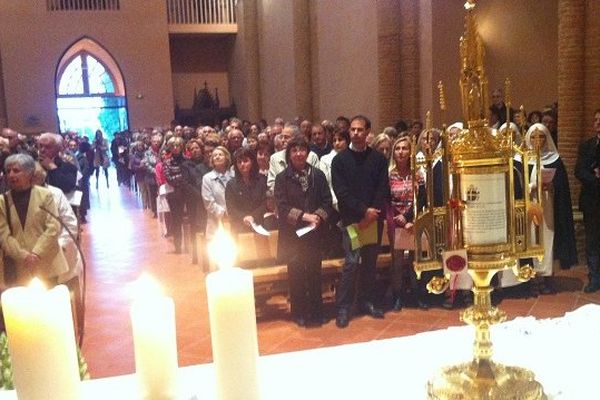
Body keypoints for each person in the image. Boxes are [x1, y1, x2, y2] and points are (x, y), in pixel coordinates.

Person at [332, 115, 389, 328]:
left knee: (370, 264)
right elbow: (342, 192)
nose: (355, 133)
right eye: (352, 130)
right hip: (352, 222)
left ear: (367, 132)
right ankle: (344, 308)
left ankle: (368, 301)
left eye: (359, 130)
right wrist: (364, 211)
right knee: (352, 263)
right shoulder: (340, 160)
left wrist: (371, 213)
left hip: (373, 220)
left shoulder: (379, 160)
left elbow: (382, 187)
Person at [274, 135, 333, 327]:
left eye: (302, 150)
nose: (299, 154)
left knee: (315, 274)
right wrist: (304, 217)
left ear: (307, 152)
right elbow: (281, 207)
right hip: (293, 236)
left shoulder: (318, 174)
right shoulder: (282, 178)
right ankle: (299, 312)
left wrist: (318, 217)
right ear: (289, 154)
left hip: (314, 233)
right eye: (294, 150)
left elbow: (327, 201)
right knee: (296, 275)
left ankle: (317, 311)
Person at [0, 154, 68, 287]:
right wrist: (24, 256)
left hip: (46, 262)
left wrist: (36, 253)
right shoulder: (3, 201)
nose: (11, 175)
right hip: (19, 265)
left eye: (16, 170)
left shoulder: (45, 195)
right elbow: (3, 235)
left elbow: (53, 227)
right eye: (8, 171)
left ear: (29, 173)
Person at [525, 123, 577, 293]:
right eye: (533, 137)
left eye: (541, 137)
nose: (537, 140)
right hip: (530, 207)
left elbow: (562, 188)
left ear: (547, 139)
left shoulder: (554, 159)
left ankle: (545, 276)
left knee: (547, 239)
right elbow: (516, 185)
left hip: (549, 208)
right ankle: (532, 277)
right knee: (532, 239)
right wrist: (532, 186)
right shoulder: (523, 159)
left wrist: (551, 186)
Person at [387, 136, 428, 311]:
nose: (401, 151)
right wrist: (400, 218)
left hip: (413, 222)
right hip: (396, 222)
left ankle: (417, 295)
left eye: (405, 148)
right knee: (396, 261)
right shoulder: (389, 175)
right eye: (398, 148)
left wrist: (410, 219)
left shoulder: (417, 175)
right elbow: (387, 199)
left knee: (414, 260)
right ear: (393, 153)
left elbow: (422, 199)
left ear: (410, 152)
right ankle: (398, 296)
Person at [575, 109, 600, 293]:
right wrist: (596, 179)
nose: (598, 122)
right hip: (592, 200)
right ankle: (594, 278)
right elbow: (579, 171)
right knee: (592, 241)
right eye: (596, 120)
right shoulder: (587, 146)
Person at [225, 147, 267, 234]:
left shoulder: (262, 180)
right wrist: (244, 217)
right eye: (239, 162)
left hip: (259, 223)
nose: (242, 164)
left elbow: (264, 203)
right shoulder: (231, 184)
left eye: (245, 161)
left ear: (252, 161)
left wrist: (253, 216)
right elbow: (231, 208)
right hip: (239, 226)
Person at [201, 146, 233, 242]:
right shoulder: (207, 178)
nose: (217, 157)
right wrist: (223, 214)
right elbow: (208, 201)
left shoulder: (234, 175)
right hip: (217, 219)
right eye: (215, 156)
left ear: (226, 157)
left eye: (220, 154)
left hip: (235, 218)